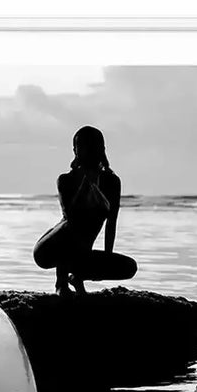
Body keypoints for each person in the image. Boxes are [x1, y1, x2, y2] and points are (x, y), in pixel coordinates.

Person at [33, 126, 137, 296]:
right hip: (50, 249)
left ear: (101, 150)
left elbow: (111, 224)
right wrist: (87, 183)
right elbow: (71, 218)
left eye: (93, 146)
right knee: (73, 224)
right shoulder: (66, 180)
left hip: (80, 255)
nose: (88, 151)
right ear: (75, 151)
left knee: (129, 267)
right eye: (82, 147)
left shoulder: (111, 182)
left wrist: (106, 261)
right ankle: (61, 283)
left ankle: (77, 277)